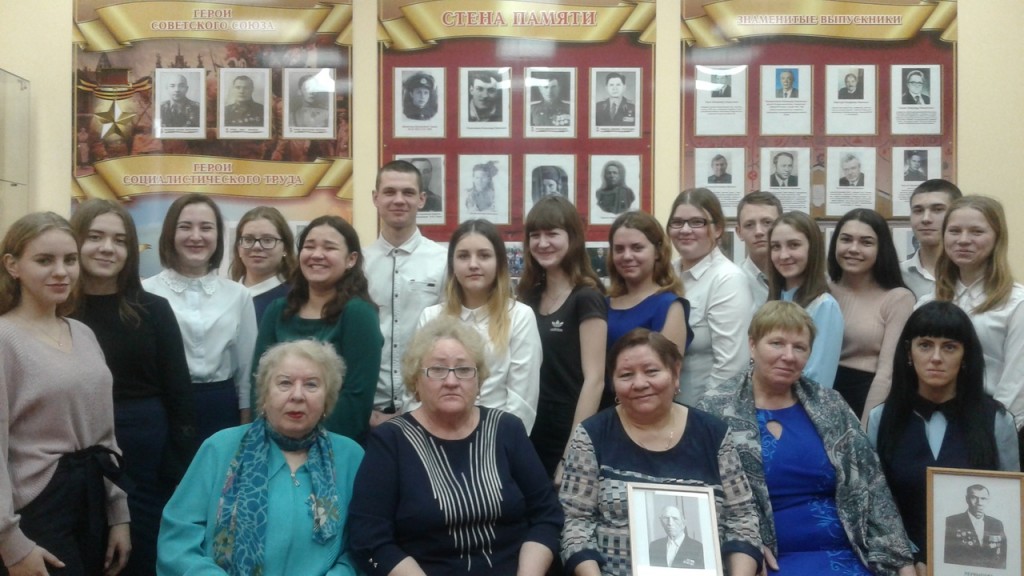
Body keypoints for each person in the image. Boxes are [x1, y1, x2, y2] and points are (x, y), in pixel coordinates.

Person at [699, 302, 916, 576]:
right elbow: (703, 495)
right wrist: (740, 546)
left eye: (799, 347)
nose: (788, 356)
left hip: (849, 553)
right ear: (752, 345)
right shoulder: (715, 409)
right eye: (777, 343)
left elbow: (873, 487)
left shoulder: (830, 405)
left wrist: (903, 564)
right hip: (769, 558)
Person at [348, 317, 563, 575]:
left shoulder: (507, 429)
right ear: (415, 382)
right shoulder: (390, 440)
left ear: (479, 381)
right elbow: (369, 538)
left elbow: (546, 516)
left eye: (463, 370)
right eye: (437, 370)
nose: (451, 381)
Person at [561, 328, 762, 576]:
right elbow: (575, 523)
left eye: (651, 371)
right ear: (613, 383)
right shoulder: (592, 435)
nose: (639, 383)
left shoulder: (713, 434)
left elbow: (742, 520)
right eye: (626, 375)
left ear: (675, 373)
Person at [158, 340, 364, 575]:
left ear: (327, 399)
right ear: (265, 395)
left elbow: (363, 544)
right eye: (285, 383)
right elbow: (177, 539)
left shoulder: (351, 457)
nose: (297, 395)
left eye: (311, 385)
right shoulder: (220, 448)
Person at [0, 212, 131, 576]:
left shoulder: (83, 333)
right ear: (12, 265)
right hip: (35, 505)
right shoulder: (5, 339)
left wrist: (118, 514)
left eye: (70, 260)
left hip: (92, 498)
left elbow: (105, 434)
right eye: (45, 260)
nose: (61, 272)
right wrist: (10, 542)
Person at [70, 200, 196, 576]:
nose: (107, 248)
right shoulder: (58, 309)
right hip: (74, 450)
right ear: (75, 241)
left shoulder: (154, 309)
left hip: (145, 457)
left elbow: (179, 394)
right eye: (95, 237)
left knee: (138, 556)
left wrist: (175, 466)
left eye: (119, 240)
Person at [868, 301, 1019, 571]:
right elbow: (874, 507)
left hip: (976, 566)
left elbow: (1010, 508)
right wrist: (905, 559)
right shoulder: (881, 419)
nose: (936, 357)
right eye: (925, 345)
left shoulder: (997, 420)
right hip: (899, 564)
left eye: (949, 347)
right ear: (909, 353)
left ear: (965, 356)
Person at [253, 215, 383, 444]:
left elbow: (356, 398)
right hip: (272, 441)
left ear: (351, 259)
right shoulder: (277, 310)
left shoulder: (358, 314)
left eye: (329, 248)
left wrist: (305, 444)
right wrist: (270, 438)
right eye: (309, 246)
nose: (317, 255)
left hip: (333, 444)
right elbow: (259, 383)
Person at [144, 194, 258, 442]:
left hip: (220, 406)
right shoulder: (145, 292)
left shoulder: (238, 295)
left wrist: (246, 419)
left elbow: (247, 369)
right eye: (185, 227)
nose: (196, 236)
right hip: (164, 406)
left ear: (218, 236)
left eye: (206, 228)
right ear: (170, 234)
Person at [413, 219, 542, 431]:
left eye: (484, 255)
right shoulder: (431, 317)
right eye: (463, 256)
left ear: (499, 263)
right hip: (434, 436)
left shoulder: (520, 316)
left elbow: (522, 401)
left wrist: (496, 442)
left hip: (497, 437)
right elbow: (417, 390)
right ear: (452, 264)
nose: (473, 264)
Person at [517, 196, 607, 480]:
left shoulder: (587, 297)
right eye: (535, 235)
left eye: (552, 234)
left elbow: (595, 380)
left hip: (569, 432)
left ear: (573, 238)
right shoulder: (527, 297)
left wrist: (572, 453)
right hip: (530, 427)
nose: (542, 243)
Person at [927, 195, 1024, 426]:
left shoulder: (1016, 303)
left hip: (993, 422)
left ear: (997, 237)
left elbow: (1016, 382)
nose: (963, 240)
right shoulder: (928, 301)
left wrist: (995, 429)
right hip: (935, 420)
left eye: (976, 232)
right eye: (954, 231)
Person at [365, 160, 447, 424]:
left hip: (428, 406)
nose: (399, 200)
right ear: (375, 198)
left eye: (408, 192)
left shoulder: (444, 262)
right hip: (368, 409)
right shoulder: (358, 265)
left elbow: (451, 334)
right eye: (389, 192)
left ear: (422, 199)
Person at [828, 208, 915, 420]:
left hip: (866, 399)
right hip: (819, 394)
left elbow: (887, 374)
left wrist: (867, 427)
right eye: (846, 239)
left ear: (881, 248)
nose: (853, 249)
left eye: (866, 242)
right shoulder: (821, 288)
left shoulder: (898, 299)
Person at [668, 189, 752, 403]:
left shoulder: (728, 279)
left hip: (701, 410)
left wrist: (703, 416)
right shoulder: (666, 274)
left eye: (697, 222)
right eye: (677, 222)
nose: (685, 230)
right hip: (663, 410)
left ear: (718, 229)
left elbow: (731, 367)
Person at [604, 211, 690, 408]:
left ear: (657, 252)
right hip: (601, 410)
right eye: (619, 249)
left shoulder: (669, 306)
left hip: (644, 410)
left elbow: (666, 380)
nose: (627, 256)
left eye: (637, 248)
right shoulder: (602, 303)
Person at [768, 211, 844, 389]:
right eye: (776, 247)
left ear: (812, 249)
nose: (783, 255)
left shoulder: (824, 306)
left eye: (794, 245)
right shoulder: (774, 299)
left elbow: (818, 380)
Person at [229, 205, 296, 322]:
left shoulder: (295, 299)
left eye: (268, 240)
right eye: (248, 239)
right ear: (238, 248)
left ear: (285, 248)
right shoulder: (224, 295)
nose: (256, 246)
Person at [900, 179, 962, 300]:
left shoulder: (971, 274)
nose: (926, 219)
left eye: (937, 209)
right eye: (918, 210)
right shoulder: (897, 275)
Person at [736, 191, 783, 308]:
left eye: (767, 222)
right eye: (749, 225)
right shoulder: (733, 279)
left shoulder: (797, 275)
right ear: (739, 232)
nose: (759, 232)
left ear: (781, 226)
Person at [943, 485, 1007, 569]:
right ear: (967, 499)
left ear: (988, 500)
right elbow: (947, 555)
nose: (979, 503)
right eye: (974, 498)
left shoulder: (997, 524)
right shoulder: (951, 522)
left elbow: (1002, 557)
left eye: (983, 498)